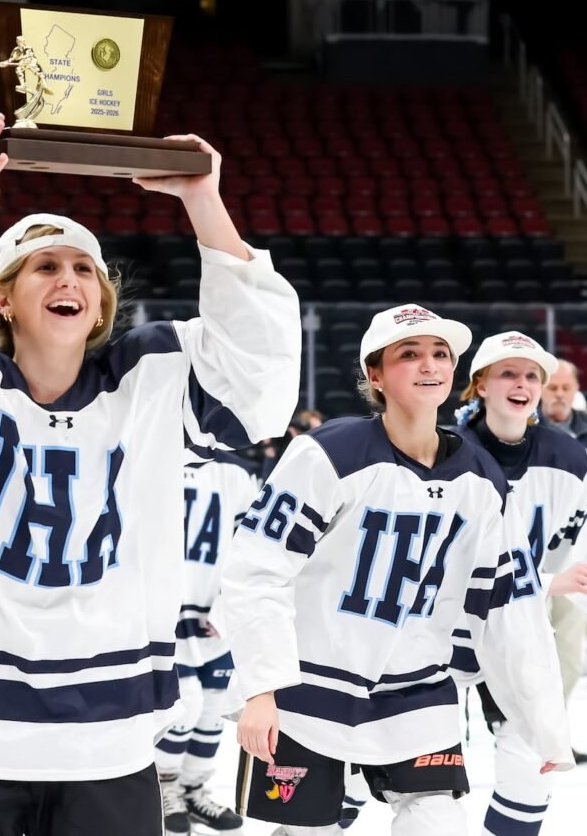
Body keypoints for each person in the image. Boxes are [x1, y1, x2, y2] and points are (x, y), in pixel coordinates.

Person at [0, 115, 302, 835]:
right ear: (3, 298)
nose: (69, 277)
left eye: (84, 268)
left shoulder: (149, 382)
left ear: (103, 303)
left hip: (105, 746)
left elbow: (262, 388)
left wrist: (206, 204)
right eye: (45, 266)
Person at [222, 305, 573, 836]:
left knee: (440, 823)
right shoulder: (327, 453)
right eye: (409, 354)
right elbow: (256, 571)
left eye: (440, 354)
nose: (429, 364)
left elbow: (509, 605)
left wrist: (542, 721)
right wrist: (260, 688)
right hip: (308, 687)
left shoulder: (480, 480)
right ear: (375, 375)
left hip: (417, 690)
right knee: (307, 831)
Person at [446, 331, 587, 833]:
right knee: (421, 781)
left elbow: (572, 550)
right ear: (480, 384)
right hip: (440, 633)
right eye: (508, 372)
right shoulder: (444, 451)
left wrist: (550, 582)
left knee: (530, 765)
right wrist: (548, 580)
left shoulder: (569, 458)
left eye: (532, 375)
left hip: (516, 628)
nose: (522, 383)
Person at [158, 449, 258, 834]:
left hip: (213, 615)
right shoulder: (154, 455)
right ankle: (163, 787)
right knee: (185, 705)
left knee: (213, 708)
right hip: (166, 614)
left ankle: (192, 788)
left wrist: (228, 601)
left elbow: (251, 547)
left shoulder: (235, 474)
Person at [538, 356, 587, 764]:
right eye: (551, 387)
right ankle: (522, 733)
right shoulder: (520, 431)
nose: (557, 395)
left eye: (564, 388)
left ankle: (557, 734)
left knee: (569, 655)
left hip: (575, 563)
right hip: (529, 562)